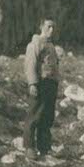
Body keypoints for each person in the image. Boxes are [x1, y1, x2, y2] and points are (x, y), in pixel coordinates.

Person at [23, 19, 59, 159]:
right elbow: (30, 64)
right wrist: (32, 83)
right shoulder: (35, 43)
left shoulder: (51, 45)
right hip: (40, 83)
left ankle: (44, 148)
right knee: (34, 115)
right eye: (49, 26)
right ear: (41, 27)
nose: (52, 30)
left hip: (51, 85)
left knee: (47, 117)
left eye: (53, 27)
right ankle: (29, 147)